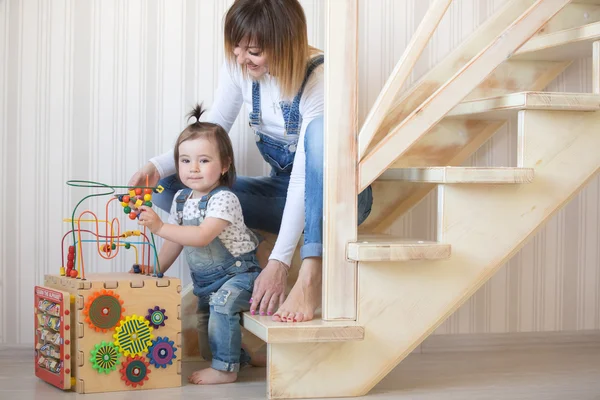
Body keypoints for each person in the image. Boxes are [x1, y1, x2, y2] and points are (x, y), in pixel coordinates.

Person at [129, 0, 373, 323]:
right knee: (167, 187)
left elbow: (304, 179)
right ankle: (230, 267)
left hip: (338, 199)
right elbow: (214, 127)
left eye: (253, 51)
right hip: (281, 193)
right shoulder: (240, 66)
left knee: (320, 132)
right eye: (236, 48)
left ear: (285, 44)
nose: (241, 58)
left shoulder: (319, 79)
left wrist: (280, 260)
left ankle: (311, 271)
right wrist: (158, 166)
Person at [138, 104, 262, 384]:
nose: (193, 169)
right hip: (206, 280)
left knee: (222, 306)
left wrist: (159, 226)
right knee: (206, 334)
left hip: (239, 275)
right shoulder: (181, 198)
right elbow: (176, 240)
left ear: (225, 165)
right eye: (184, 161)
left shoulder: (224, 199)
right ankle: (242, 358)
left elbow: (202, 236)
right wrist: (156, 269)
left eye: (204, 161)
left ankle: (226, 370)